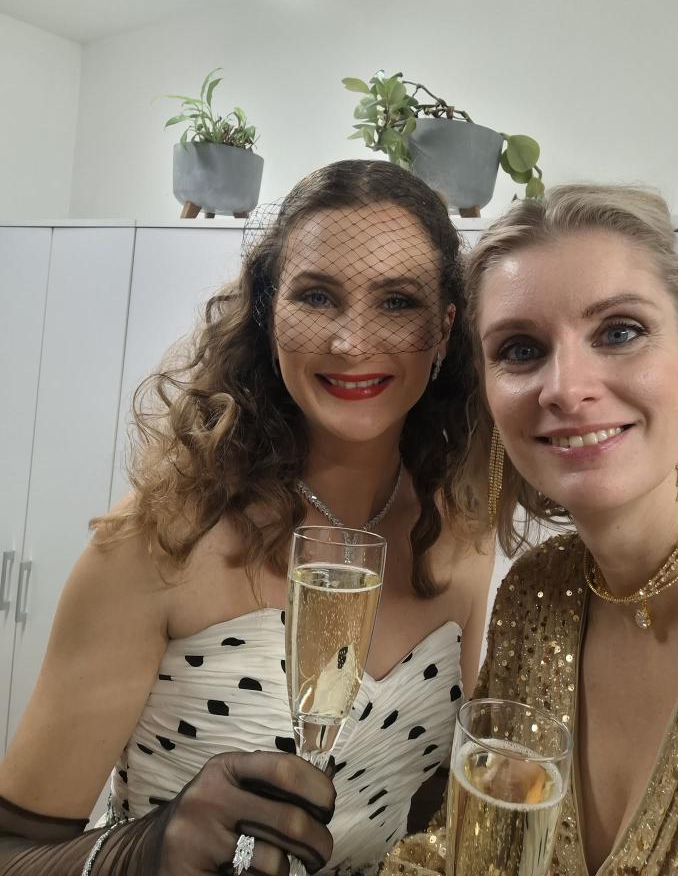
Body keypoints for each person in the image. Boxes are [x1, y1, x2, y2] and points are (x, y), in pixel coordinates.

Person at [0, 160, 494, 876]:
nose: (351, 342)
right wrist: (150, 848)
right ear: (268, 314)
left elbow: (429, 814)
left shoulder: (466, 534)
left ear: (445, 328)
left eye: (396, 302)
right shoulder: (164, 538)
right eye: (317, 297)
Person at [384, 183, 678, 875]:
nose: (566, 387)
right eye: (521, 349)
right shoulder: (539, 594)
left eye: (619, 332)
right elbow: (464, 855)